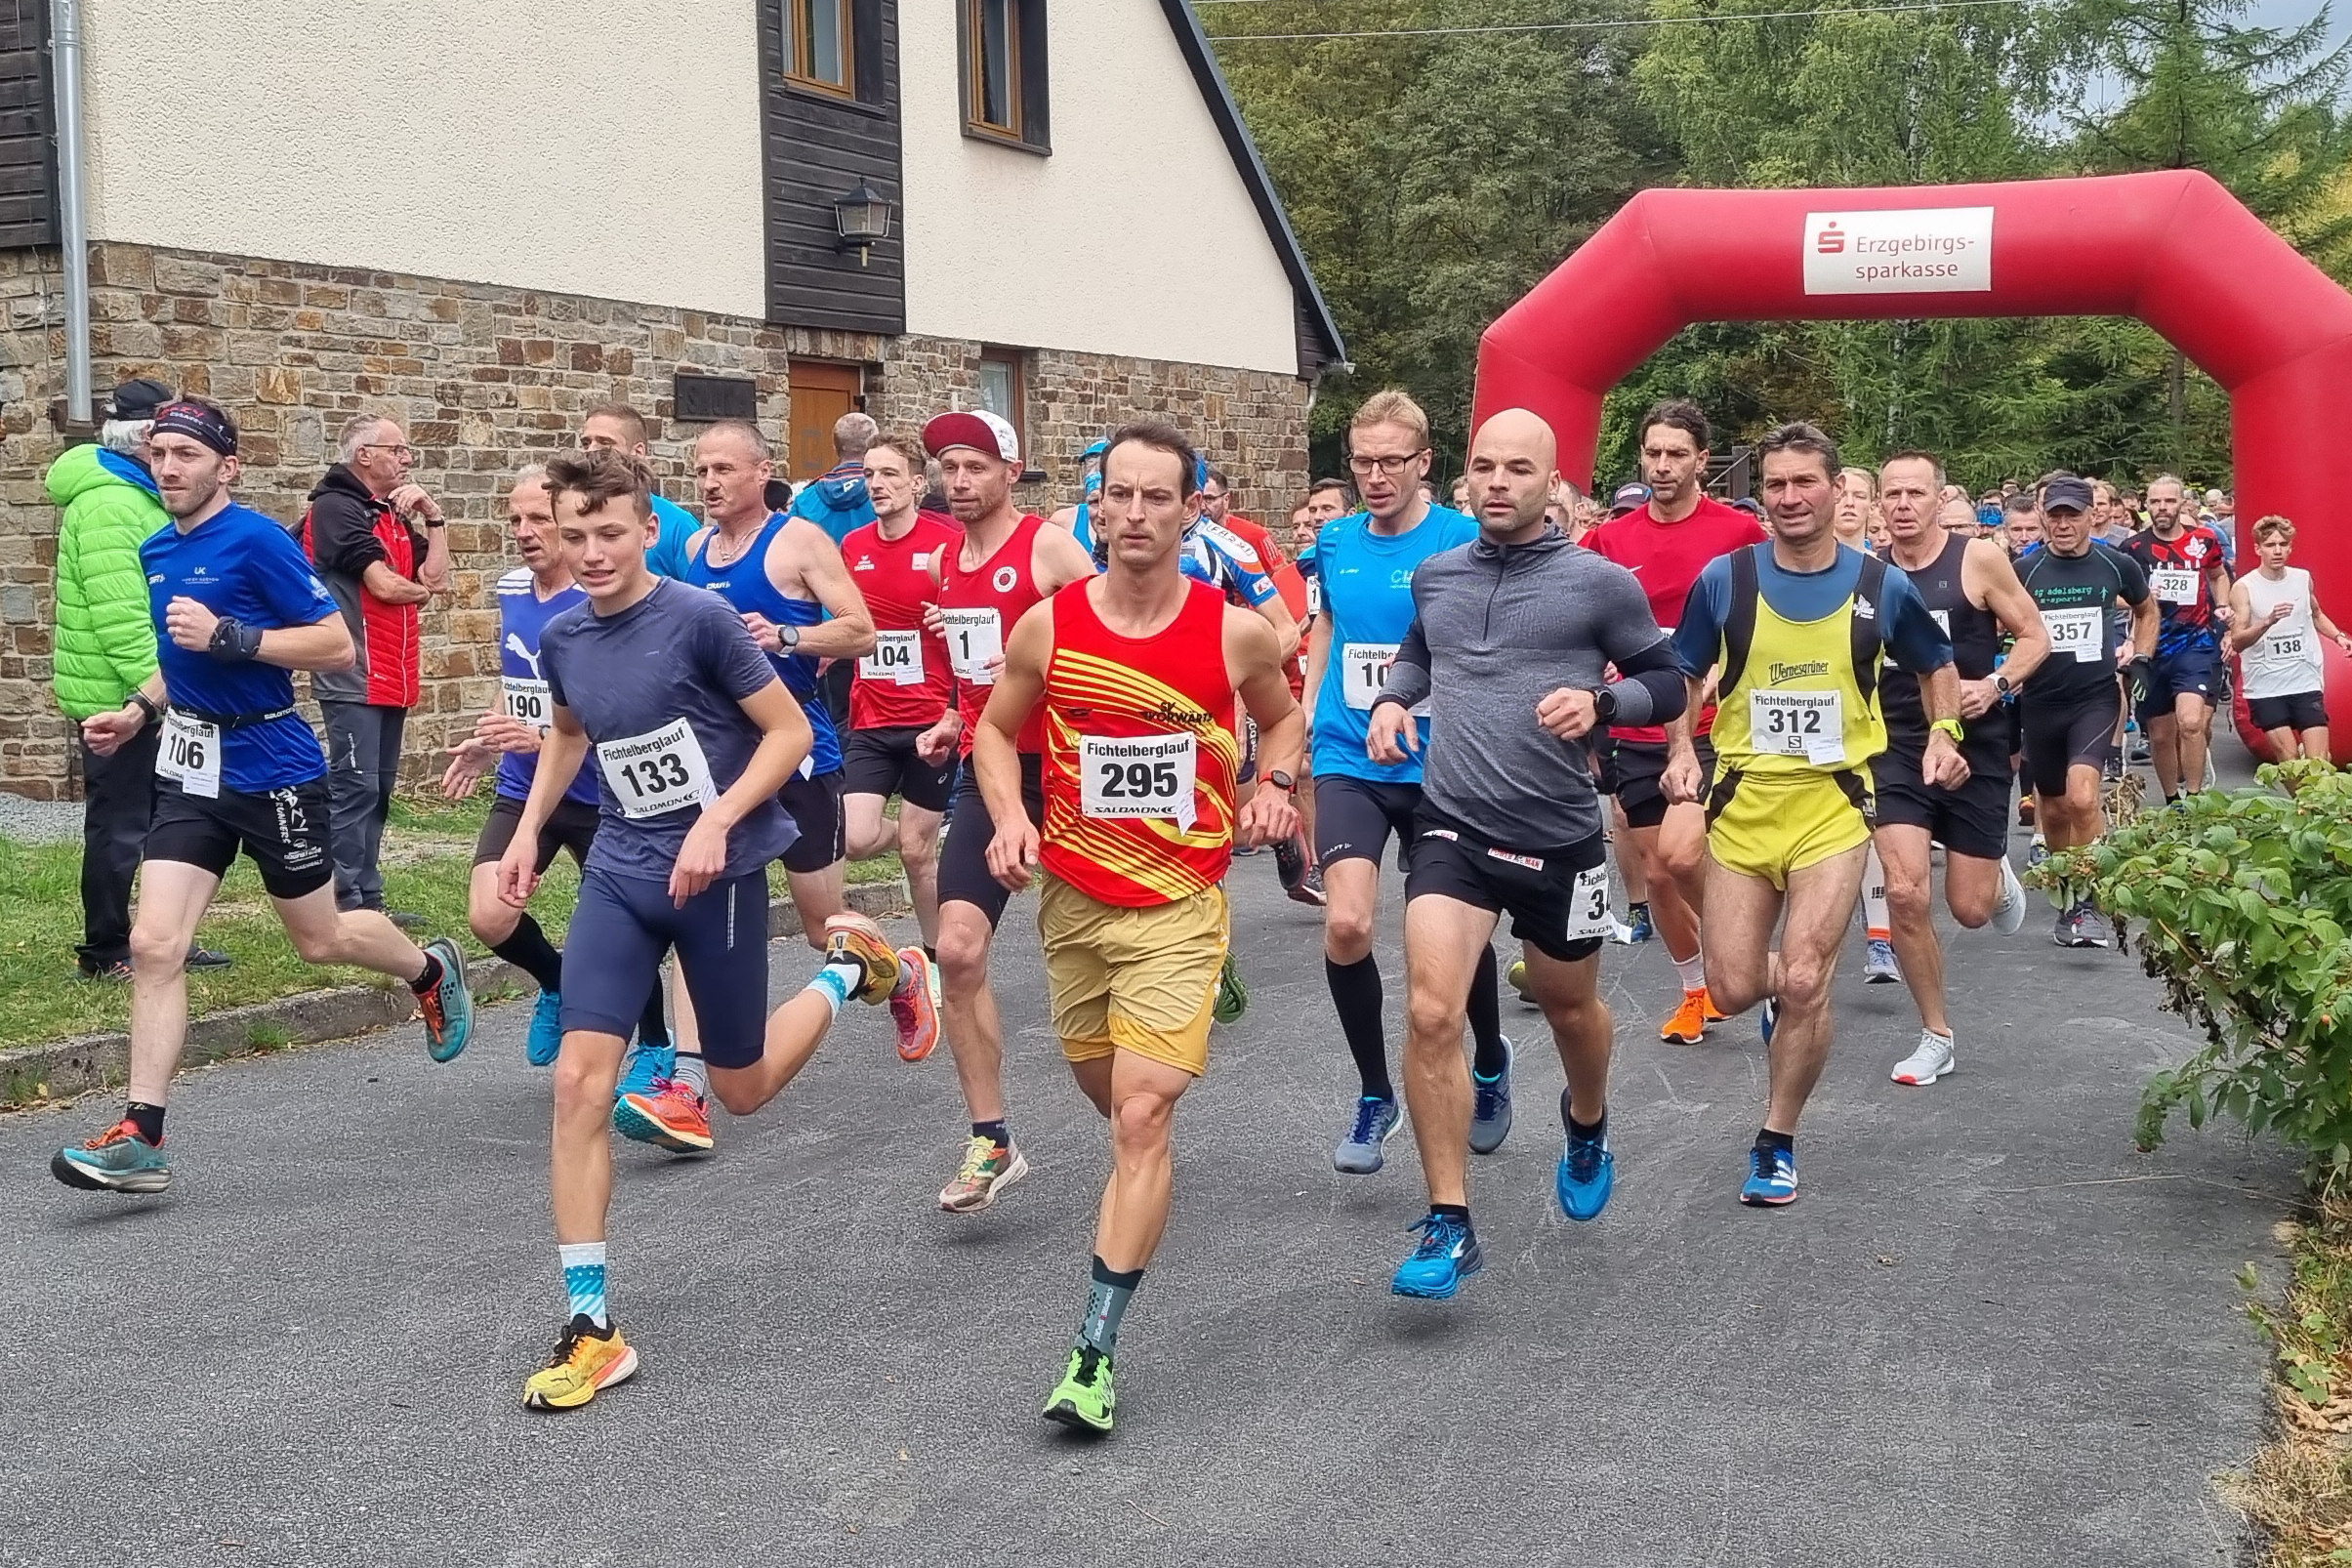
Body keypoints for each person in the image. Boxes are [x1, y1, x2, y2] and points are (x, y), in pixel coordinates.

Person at [501, 448, 923, 1410]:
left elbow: (783, 733)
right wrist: (528, 830)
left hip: (718, 873)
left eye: (612, 532)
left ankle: (852, 971)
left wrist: (719, 818)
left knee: (744, 1088)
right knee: (579, 1083)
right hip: (620, 872)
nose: (593, 551)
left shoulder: (701, 620)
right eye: (577, 536)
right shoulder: (566, 637)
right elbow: (569, 733)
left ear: (651, 530)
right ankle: (591, 1323)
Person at [52, 398, 475, 1193]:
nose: (170, 468)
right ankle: (143, 1134)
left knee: (319, 939)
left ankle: (426, 968)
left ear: (227, 466)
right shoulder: (153, 550)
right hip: (191, 769)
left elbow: (333, 644)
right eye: (160, 454)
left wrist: (233, 637)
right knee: (153, 944)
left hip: (272, 764)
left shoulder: (255, 541)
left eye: (187, 455)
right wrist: (139, 710)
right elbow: (181, 662)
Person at [972, 421, 1302, 1434]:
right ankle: (1199, 1013)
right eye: (1119, 495)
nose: (1135, 515)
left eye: (1159, 497)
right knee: (1107, 1090)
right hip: (1074, 901)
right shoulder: (1050, 625)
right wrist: (1011, 815)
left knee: (1141, 1117)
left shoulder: (1232, 629)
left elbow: (1282, 716)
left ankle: (1093, 1351)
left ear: (1191, 509)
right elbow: (994, 727)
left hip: (1179, 900)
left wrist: (1276, 782)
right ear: (1096, 505)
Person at [1368, 408, 1686, 1297]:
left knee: (1568, 1005)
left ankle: (1585, 1120)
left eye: (1518, 468)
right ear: (1464, 477)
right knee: (1433, 1014)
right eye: (1483, 467)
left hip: (1558, 837)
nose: (1497, 483)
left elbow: (1665, 678)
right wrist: (1396, 701)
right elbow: (1416, 655)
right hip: (1453, 825)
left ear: (1553, 483)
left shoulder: (1597, 585)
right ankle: (1448, 1221)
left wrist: (1605, 708)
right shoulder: (1435, 576)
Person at [1662, 422, 1961, 1207]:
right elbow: (1682, 672)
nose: (1789, 498)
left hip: (1832, 803)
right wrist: (1679, 750)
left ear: (1836, 490)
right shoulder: (1725, 580)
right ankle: (1785, 1005)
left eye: (1804, 483)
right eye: (1775, 485)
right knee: (1731, 990)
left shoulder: (1880, 585)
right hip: (1741, 803)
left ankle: (1775, 1139)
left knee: (1801, 976)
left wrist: (1942, 732)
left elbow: (1938, 666)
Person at [648, 420, 902, 1149]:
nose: (708, 482)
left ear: (762, 472)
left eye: (723, 468)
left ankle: (899, 974)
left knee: (826, 928)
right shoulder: (692, 551)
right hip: (719, 764)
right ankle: (688, 1089)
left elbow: (860, 631)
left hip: (798, 757)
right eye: (700, 470)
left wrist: (787, 636)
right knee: (691, 913)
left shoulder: (798, 542)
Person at [1304, 390, 1509, 1174]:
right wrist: (1305, 708)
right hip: (1349, 755)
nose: (1375, 476)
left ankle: (1488, 1061)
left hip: (1442, 764)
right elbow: (1327, 625)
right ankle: (1372, 1094)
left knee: (1453, 934)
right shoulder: (1334, 539)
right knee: (1348, 926)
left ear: (1425, 462)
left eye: (1392, 461)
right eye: (1362, 461)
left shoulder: (1464, 538)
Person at [916, 407, 1099, 1214]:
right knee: (955, 951)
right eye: (947, 467)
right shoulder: (944, 563)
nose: (958, 482)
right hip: (990, 773)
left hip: (1074, 770)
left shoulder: (1049, 547)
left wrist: (1040, 661)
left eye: (974, 467)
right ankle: (992, 1137)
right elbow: (970, 674)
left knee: (1104, 951)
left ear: (1008, 470)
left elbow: (1117, 634)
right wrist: (954, 717)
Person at [439, 467, 670, 1069]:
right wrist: (492, 739)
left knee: (627, 928)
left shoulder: (604, 601)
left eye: (538, 519)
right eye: (515, 519)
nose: (524, 531)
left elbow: (629, 718)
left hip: (605, 794)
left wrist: (541, 736)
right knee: (489, 914)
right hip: (527, 788)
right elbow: (519, 679)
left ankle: (655, 1047)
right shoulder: (514, 588)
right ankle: (558, 980)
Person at [1580, 399, 1766, 1046]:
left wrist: (1724, 663)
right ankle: (1698, 991)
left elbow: (1768, 611)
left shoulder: (1736, 535)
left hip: (1711, 725)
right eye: (1652, 453)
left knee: (1685, 854)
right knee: (1657, 875)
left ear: (1701, 462)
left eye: (1676, 455)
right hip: (1636, 728)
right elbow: (1574, 606)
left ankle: (1749, 964)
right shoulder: (1611, 538)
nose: (1661, 466)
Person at [1870, 451, 2048, 1086]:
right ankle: (1935, 1034)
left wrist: (1996, 683)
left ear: (1938, 499)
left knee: (1969, 910)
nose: (1901, 504)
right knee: (1904, 891)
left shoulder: (1976, 559)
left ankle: (1994, 877)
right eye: (1891, 493)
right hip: (1893, 745)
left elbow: (2035, 636)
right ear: (1877, 503)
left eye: (1914, 492)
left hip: (1974, 740)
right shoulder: (1865, 572)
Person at [50, 378, 231, 979]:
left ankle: (162, 936)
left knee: (165, 819)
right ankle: (106, 948)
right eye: (164, 441)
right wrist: (156, 696)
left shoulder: (138, 495)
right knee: (122, 824)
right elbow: (124, 619)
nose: (172, 457)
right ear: (137, 437)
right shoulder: (108, 503)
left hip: (152, 692)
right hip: (119, 697)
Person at [301, 413, 450, 924]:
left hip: (394, 672)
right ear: (364, 455)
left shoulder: (390, 513)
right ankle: (343, 898)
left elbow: (437, 578)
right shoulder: (336, 508)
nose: (407, 459)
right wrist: (420, 591)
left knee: (380, 786)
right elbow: (386, 587)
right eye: (399, 449)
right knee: (354, 785)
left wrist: (434, 517)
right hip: (353, 671)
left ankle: (370, 897)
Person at [2014, 477, 2158, 945]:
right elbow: (1995, 619)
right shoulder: (2025, 570)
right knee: (2053, 811)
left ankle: (2089, 900)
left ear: (2091, 516)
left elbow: (2147, 609)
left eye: (2071, 515)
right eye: (2053, 515)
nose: (2062, 524)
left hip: (2094, 699)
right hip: (2039, 702)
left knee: (2081, 797)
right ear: (2042, 516)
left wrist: (2140, 654)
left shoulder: (2115, 564)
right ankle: (2068, 888)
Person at [839, 433, 962, 970]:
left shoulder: (944, 544)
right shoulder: (854, 546)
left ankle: (936, 960)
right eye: (869, 475)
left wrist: (949, 617)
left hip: (931, 720)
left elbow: (979, 613)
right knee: (858, 837)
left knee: (917, 857)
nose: (877, 485)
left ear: (916, 483)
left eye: (889, 474)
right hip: (871, 713)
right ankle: (927, 834)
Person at [2123, 475, 2234, 805]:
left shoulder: (2204, 539)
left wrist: (2224, 605)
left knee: (2190, 722)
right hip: (2152, 646)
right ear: (2146, 505)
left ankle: (2196, 798)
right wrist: (2141, 596)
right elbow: (2116, 593)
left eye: (2169, 501)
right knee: (2160, 735)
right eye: (2155, 502)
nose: (2162, 508)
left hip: (2195, 643)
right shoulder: (2133, 548)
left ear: (2182, 503)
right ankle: (2173, 801)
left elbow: (2218, 574)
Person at [2228, 515, 2350, 764]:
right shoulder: (2244, 587)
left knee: (2319, 763)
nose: (2277, 551)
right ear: (2258, 549)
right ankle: (2300, 805)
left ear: (2290, 547)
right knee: (2290, 760)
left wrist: (2338, 637)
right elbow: (2237, 641)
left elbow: (2315, 614)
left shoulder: (2302, 579)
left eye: (2283, 545)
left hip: (2304, 680)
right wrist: (2267, 621)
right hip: (2266, 685)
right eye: (2271, 545)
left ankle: (2311, 804)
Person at [578, 403, 702, 582]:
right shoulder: (574, 518)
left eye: (605, 443)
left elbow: (703, 601)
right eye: (586, 443)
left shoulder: (677, 525)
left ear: (637, 452)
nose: (591, 451)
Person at [1832, 468, 1877, 548]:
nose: (1849, 503)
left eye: (1859, 496)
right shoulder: (1808, 559)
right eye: (1841, 495)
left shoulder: (1878, 560)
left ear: (1871, 508)